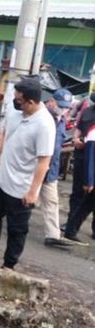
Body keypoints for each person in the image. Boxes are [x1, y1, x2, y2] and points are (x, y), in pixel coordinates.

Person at [0, 77, 55, 269]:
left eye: (19, 99)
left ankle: (9, 265)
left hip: (22, 187)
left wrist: (33, 192)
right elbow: (4, 135)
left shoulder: (44, 124)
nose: (15, 102)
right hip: (2, 180)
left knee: (16, 229)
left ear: (31, 101)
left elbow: (44, 162)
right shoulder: (16, 113)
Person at [37, 89, 76, 248]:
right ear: (51, 101)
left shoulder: (61, 120)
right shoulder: (41, 117)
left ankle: (53, 235)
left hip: (51, 170)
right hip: (36, 166)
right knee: (19, 197)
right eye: (60, 105)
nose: (63, 109)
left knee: (52, 202)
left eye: (66, 107)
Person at [63, 91, 95, 245]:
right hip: (84, 158)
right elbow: (78, 129)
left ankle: (72, 228)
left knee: (89, 200)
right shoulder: (87, 111)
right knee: (79, 195)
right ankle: (70, 227)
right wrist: (76, 139)